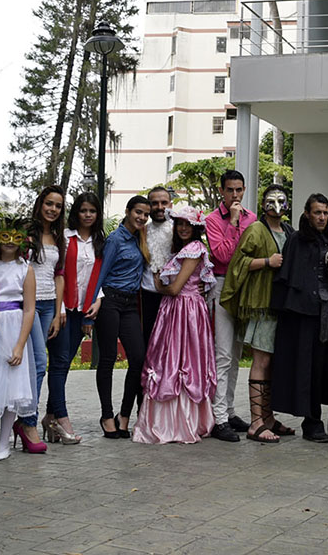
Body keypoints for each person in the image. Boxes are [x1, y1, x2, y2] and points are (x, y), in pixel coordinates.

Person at [133, 205, 218, 444]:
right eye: (179, 223)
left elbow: (174, 288)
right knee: (172, 359)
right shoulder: (181, 250)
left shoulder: (193, 249)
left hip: (185, 310)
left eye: (187, 224)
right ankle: (175, 420)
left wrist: (159, 285)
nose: (182, 228)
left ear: (195, 228)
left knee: (181, 360)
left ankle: (180, 422)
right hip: (177, 309)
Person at [271, 193, 328, 443]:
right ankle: (312, 422)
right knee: (310, 369)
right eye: (318, 212)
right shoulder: (296, 240)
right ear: (307, 213)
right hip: (306, 315)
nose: (322, 217)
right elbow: (290, 277)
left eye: (326, 212)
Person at [219, 184, 296, 443]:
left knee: (272, 362)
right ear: (264, 204)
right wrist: (266, 262)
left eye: (281, 200)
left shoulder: (288, 230)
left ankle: (268, 417)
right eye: (271, 200)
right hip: (262, 305)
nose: (277, 205)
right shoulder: (255, 229)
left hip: (280, 305)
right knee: (262, 361)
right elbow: (237, 263)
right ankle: (255, 423)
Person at [87, 195, 150, 438]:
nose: (142, 217)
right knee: (108, 358)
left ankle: (124, 415)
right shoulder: (115, 239)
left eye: (145, 214)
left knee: (138, 358)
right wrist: (91, 308)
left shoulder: (139, 238)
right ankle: (106, 416)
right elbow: (100, 273)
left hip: (130, 304)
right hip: (110, 301)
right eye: (138, 212)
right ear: (127, 211)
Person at [47, 191, 105, 445]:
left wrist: (98, 300)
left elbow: (102, 275)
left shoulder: (100, 242)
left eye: (92, 211)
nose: (88, 215)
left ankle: (49, 416)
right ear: (76, 213)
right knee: (59, 363)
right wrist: (58, 308)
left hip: (84, 311)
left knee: (64, 364)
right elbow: (55, 273)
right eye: (84, 211)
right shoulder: (65, 238)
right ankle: (62, 418)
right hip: (62, 309)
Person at [204, 170, 257, 442]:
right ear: (221, 191)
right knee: (222, 354)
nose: (235, 195)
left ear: (244, 189)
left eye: (239, 190)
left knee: (236, 354)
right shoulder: (213, 220)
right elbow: (223, 254)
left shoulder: (253, 219)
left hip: (245, 287)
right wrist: (234, 223)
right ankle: (218, 418)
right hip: (222, 285)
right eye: (230, 190)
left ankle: (230, 410)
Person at [0, 219, 43, 460]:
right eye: (5, 235)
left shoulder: (25, 268)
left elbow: (29, 309)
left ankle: (3, 442)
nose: (10, 241)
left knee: (11, 383)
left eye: (16, 236)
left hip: (13, 326)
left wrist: (20, 344)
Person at [21, 186, 65, 447]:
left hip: (49, 304)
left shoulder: (59, 237)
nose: (53, 209)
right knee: (38, 363)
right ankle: (28, 422)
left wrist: (59, 311)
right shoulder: (26, 232)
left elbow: (59, 275)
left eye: (58, 206)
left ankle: (25, 419)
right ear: (40, 204)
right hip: (29, 304)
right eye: (49, 203)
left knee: (39, 364)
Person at [140, 186, 174, 353]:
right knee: (148, 346)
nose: (160, 207)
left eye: (164, 203)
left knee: (171, 347)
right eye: (155, 203)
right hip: (147, 296)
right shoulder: (141, 232)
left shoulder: (180, 230)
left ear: (171, 205)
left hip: (175, 297)